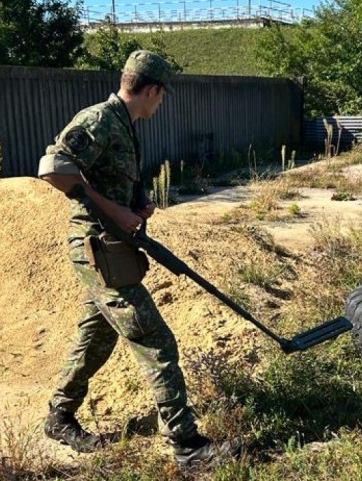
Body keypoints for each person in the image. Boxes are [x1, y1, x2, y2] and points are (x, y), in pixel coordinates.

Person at [36, 49, 242, 468]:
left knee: (97, 336)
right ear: (151, 90)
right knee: (156, 340)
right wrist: (114, 211)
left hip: (114, 245)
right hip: (97, 248)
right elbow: (53, 169)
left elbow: (105, 180)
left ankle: (59, 415)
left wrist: (137, 202)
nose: (161, 103)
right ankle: (187, 447)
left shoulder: (125, 125)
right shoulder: (99, 119)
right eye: (162, 95)